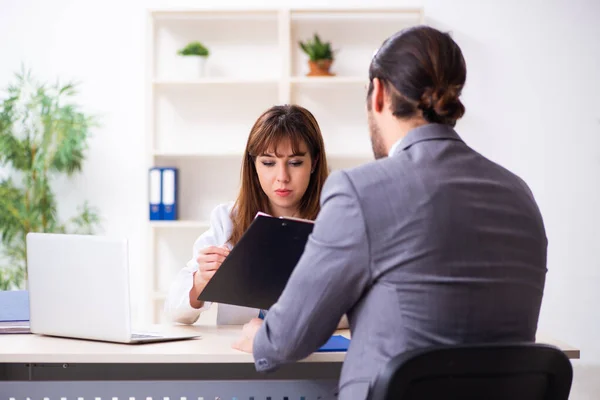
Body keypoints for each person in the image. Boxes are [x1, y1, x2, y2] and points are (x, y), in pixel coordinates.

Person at [232, 26, 548, 400]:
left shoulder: (359, 191)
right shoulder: (519, 195)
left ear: (378, 93)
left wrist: (259, 338)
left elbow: (288, 339)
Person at [164, 104, 337, 325]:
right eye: (268, 163)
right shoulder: (227, 219)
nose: (282, 177)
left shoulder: (336, 221)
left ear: (313, 163)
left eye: (295, 163)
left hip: (312, 354)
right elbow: (175, 313)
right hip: (240, 354)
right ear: (253, 165)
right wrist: (199, 282)